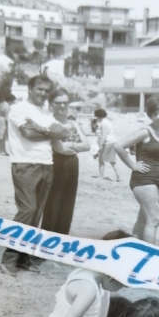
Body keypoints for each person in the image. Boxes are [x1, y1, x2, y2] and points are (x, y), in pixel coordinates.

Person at [0, 75, 70, 276]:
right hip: (25, 163)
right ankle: (8, 258)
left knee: (37, 213)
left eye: (46, 91)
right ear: (30, 89)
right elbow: (28, 134)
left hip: (47, 164)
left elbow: (64, 134)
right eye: (39, 89)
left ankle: (23, 258)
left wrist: (43, 129)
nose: (43, 94)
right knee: (27, 210)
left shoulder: (45, 112)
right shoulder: (19, 109)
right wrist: (50, 132)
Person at [114, 96, 159, 244]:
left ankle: (133, 249)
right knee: (154, 220)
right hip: (143, 179)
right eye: (155, 114)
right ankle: (149, 256)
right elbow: (118, 146)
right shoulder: (145, 131)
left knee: (144, 219)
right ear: (150, 115)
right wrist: (133, 165)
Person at [40, 88, 91, 236]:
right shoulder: (50, 122)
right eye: (58, 103)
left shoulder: (72, 123)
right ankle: (46, 242)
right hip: (55, 165)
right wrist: (74, 146)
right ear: (51, 104)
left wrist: (72, 146)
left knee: (67, 205)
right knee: (52, 204)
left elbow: (87, 145)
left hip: (72, 165)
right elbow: (60, 149)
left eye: (65, 103)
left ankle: (61, 240)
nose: (62, 106)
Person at [95, 108, 121, 181]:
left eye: (97, 117)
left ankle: (101, 176)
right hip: (113, 141)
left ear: (99, 116)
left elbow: (103, 136)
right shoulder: (108, 122)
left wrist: (100, 146)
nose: (97, 118)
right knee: (112, 161)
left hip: (107, 143)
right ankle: (118, 176)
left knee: (101, 160)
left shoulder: (103, 124)